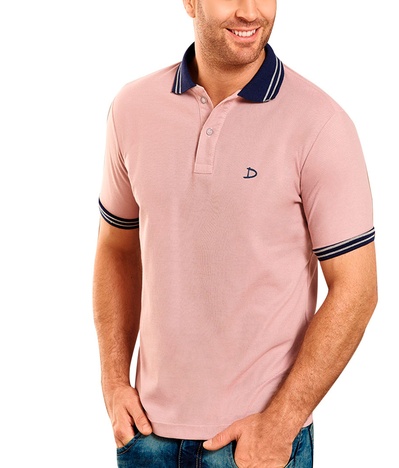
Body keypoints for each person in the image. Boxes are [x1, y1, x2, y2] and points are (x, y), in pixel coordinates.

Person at [93, 0, 378, 466]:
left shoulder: (320, 124)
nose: (250, 11)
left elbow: (357, 289)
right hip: (146, 436)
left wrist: (283, 421)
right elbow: (116, 247)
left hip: (255, 446)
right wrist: (113, 381)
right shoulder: (132, 108)